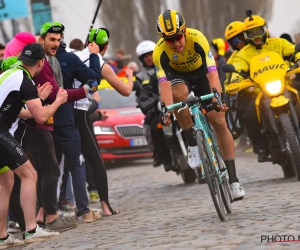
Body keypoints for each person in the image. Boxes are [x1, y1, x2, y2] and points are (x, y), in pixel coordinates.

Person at [153, 10, 245, 200]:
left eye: (178, 36)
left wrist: (217, 99)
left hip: (203, 75)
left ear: (184, 31)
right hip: (179, 77)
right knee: (178, 94)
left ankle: (234, 180)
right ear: (163, 39)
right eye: (170, 40)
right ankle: (192, 141)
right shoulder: (159, 52)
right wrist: (166, 110)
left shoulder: (197, 39)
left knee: (218, 122)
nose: (176, 43)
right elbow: (164, 86)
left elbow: (212, 73)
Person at [0, 43, 66, 248]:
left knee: (6, 183)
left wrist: (39, 100)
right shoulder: (26, 82)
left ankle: (2, 237)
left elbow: (19, 112)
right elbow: (40, 117)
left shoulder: (9, 73)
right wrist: (57, 102)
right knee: (30, 175)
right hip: (1, 134)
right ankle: (31, 229)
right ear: (40, 62)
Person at [73, 27, 132, 216]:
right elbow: (125, 91)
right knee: (96, 161)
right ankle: (106, 206)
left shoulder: (72, 56)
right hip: (81, 114)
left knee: (64, 164)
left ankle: (49, 211)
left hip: (62, 113)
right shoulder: (99, 61)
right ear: (105, 46)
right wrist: (130, 78)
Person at [230, 10, 300, 162]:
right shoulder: (243, 53)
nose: (255, 37)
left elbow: (293, 51)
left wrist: (298, 59)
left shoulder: (278, 43)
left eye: (258, 32)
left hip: (284, 84)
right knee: (249, 114)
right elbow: (236, 68)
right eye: (251, 34)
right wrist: (236, 79)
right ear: (246, 36)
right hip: (259, 92)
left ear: (265, 30)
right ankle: (261, 145)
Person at [135, 40, 173, 171]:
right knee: (153, 125)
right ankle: (162, 156)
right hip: (157, 108)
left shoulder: (168, 65)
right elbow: (142, 95)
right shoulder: (141, 77)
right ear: (141, 59)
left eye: (151, 54)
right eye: (145, 56)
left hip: (175, 102)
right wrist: (149, 102)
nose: (149, 58)